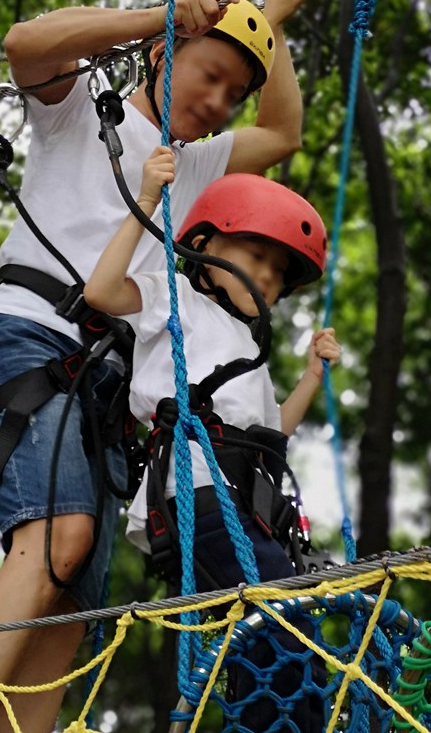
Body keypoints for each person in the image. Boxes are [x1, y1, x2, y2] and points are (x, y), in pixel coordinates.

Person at [0, 0, 319, 733]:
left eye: (233, 92)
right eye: (207, 75)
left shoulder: (193, 168)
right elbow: (24, 44)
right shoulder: (80, 110)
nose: (220, 102)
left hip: (105, 378)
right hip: (28, 332)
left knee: (71, 599)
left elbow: (282, 132)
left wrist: (264, 27)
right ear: (160, 55)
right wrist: (163, 12)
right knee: (59, 539)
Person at [84, 148, 340, 731]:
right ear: (206, 246)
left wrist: (310, 379)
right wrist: (146, 198)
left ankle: (278, 721)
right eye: (256, 256)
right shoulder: (176, 298)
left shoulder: (249, 349)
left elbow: (272, 433)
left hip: (246, 506)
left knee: (277, 631)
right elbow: (101, 292)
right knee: (280, 612)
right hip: (195, 496)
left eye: (280, 273)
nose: (268, 277)